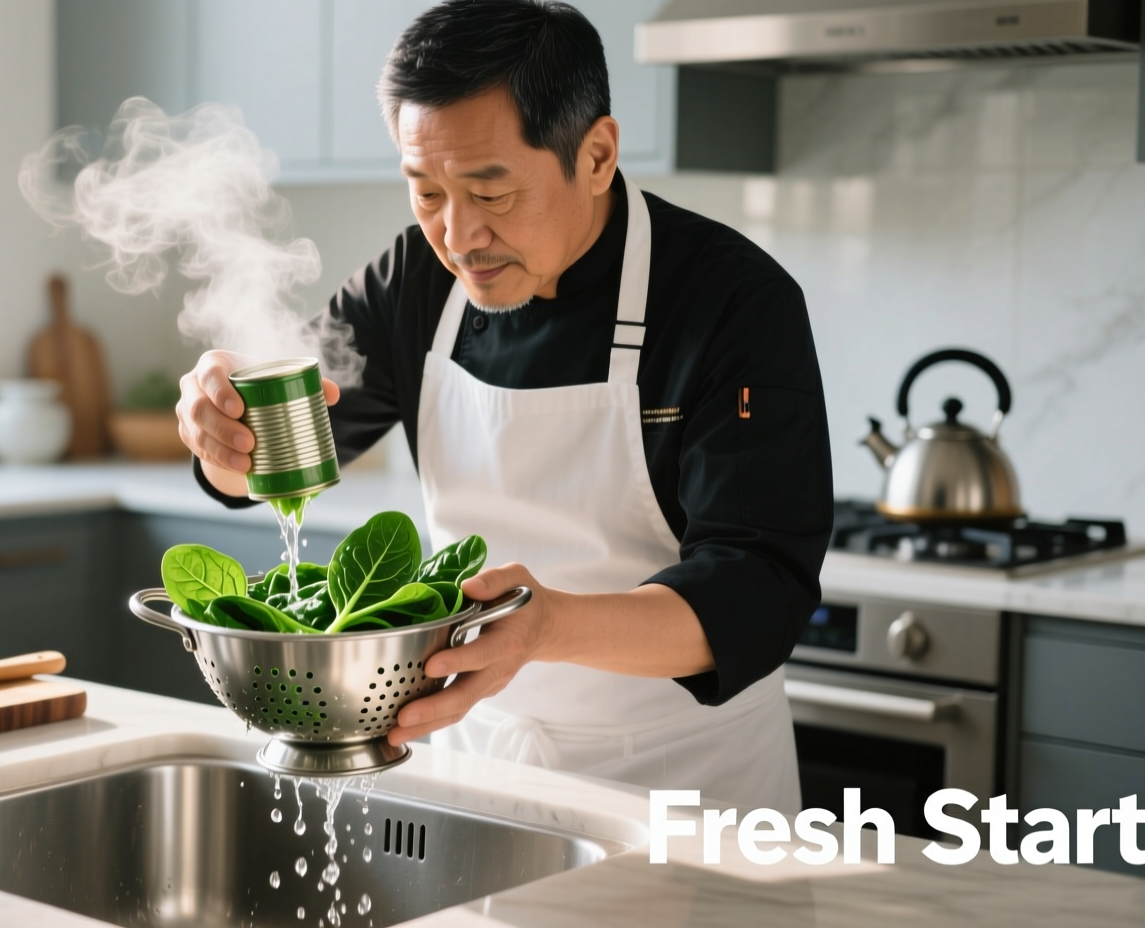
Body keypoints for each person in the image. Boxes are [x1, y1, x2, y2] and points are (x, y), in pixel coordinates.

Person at [176, 0, 831, 813]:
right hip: (471, 761)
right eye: (426, 193)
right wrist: (224, 439)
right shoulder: (415, 280)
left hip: (685, 782)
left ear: (596, 155)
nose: (459, 237)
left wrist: (548, 626)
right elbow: (282, 456)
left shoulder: (733, 302)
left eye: (492, 192)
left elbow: (759, 595)